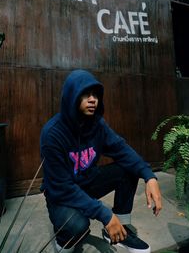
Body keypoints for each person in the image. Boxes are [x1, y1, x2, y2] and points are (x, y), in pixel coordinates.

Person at [40, 69, 162, 253]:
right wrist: (105, 215)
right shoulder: (53, 134)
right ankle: (63, 240)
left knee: (128, 169)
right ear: (72, 96)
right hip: (61, 195)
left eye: (95, 94)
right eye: (85, 94)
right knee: (77, 225)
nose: (93, 99)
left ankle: (121, 231)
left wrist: (149, 176)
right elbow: (62, 188)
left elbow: (122, 150)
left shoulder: (97, 125)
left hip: (87, 183)